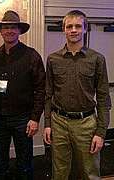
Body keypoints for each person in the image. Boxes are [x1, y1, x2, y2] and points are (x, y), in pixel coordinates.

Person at [43, 10, 111, 180]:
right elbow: (48, 94)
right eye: (69, 26)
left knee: (90, 173)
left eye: (78, 26)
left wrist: (101, 132)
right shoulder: (52, 59)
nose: (73, 30)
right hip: (59, 122)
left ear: (85, 29)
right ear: (64, 30)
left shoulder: (97, 59)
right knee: (59, 172)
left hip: (87, 124)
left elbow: (103, 99)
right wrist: (48, 124)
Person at [0, 10, 46, 180]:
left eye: (13, 27)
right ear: (0, 31)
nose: (9, 31)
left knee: (24, 162)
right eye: (6, 27)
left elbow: (41, 89)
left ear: (20, 31)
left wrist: (35, 118)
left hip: (23, 118)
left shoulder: (31, 55)